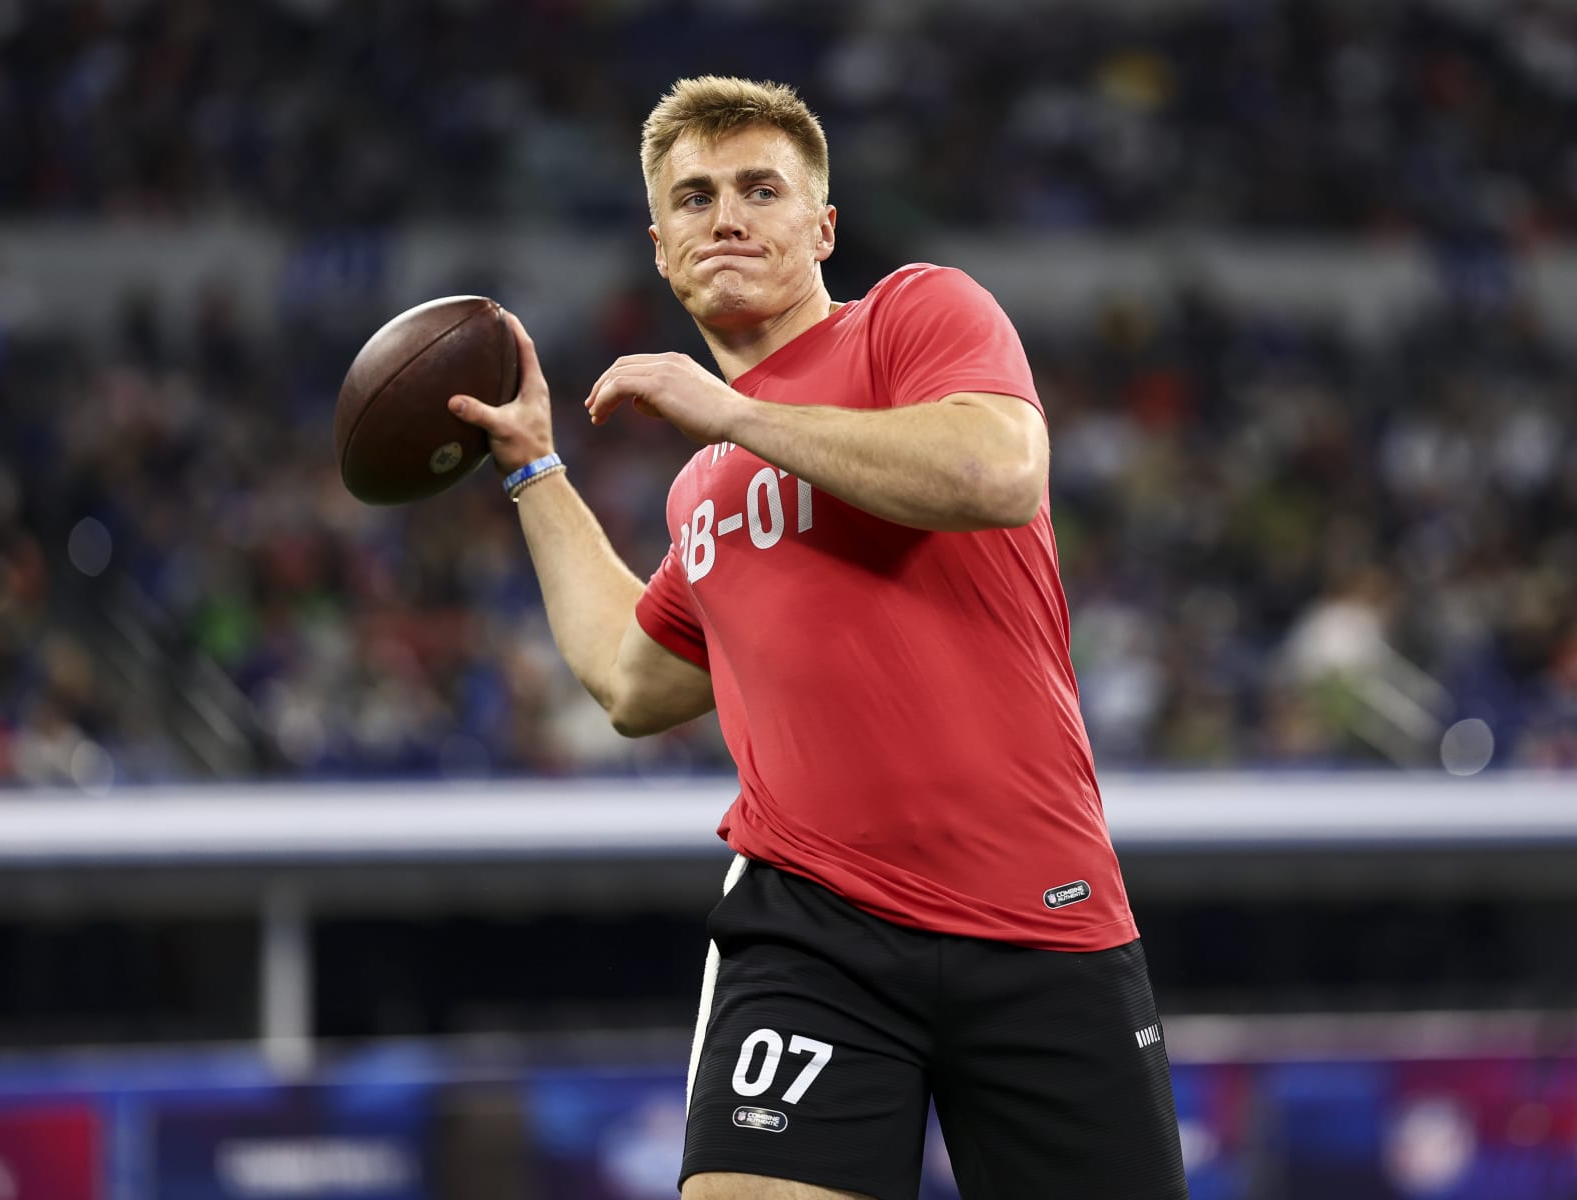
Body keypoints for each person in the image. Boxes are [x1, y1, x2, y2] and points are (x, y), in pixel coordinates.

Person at [447, 76, 1188, 1200]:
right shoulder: (700, 490)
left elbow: (996, 472)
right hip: (813, 930)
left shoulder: (916, 317)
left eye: (760, 188)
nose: (727, 216)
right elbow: (632, 683)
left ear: (822, 226)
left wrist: (736, 412)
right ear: (659, 248)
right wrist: (534, 469)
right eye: (693, 199)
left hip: (1044, 914)